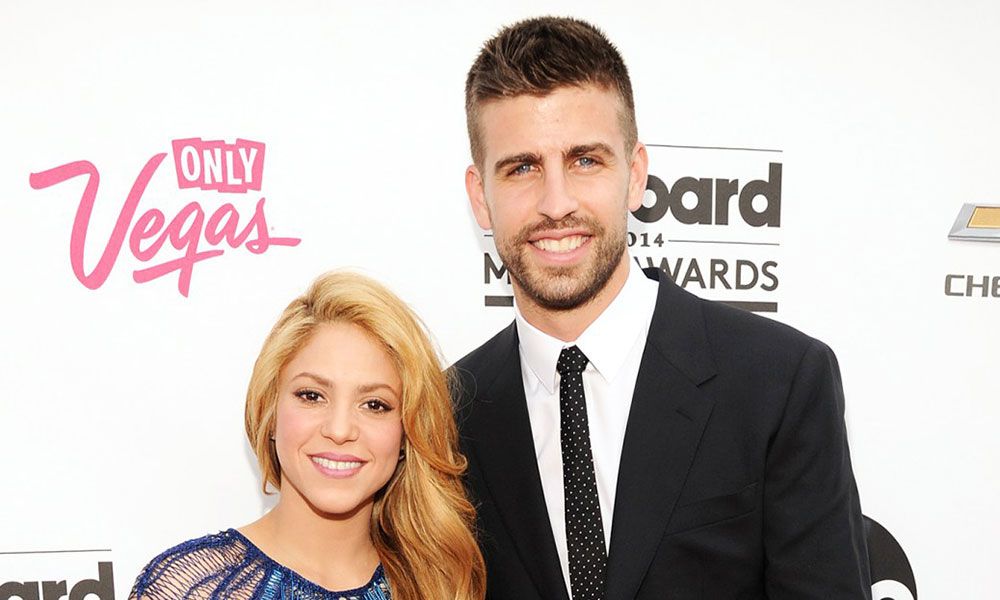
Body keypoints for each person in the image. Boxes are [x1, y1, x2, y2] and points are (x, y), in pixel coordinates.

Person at [455, 16, 871, 599]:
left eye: (585, 160)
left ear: (635, 176)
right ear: (481, 196)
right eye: (522, 167)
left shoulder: (779, 382)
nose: (556, 203)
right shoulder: (447, 414)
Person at [130, 272, 486, 600]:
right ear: (269, 411)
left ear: (407, 433)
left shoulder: (442, 584)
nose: (339, 430)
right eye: (312, 396)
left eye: (375, 404)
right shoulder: (193, 588)